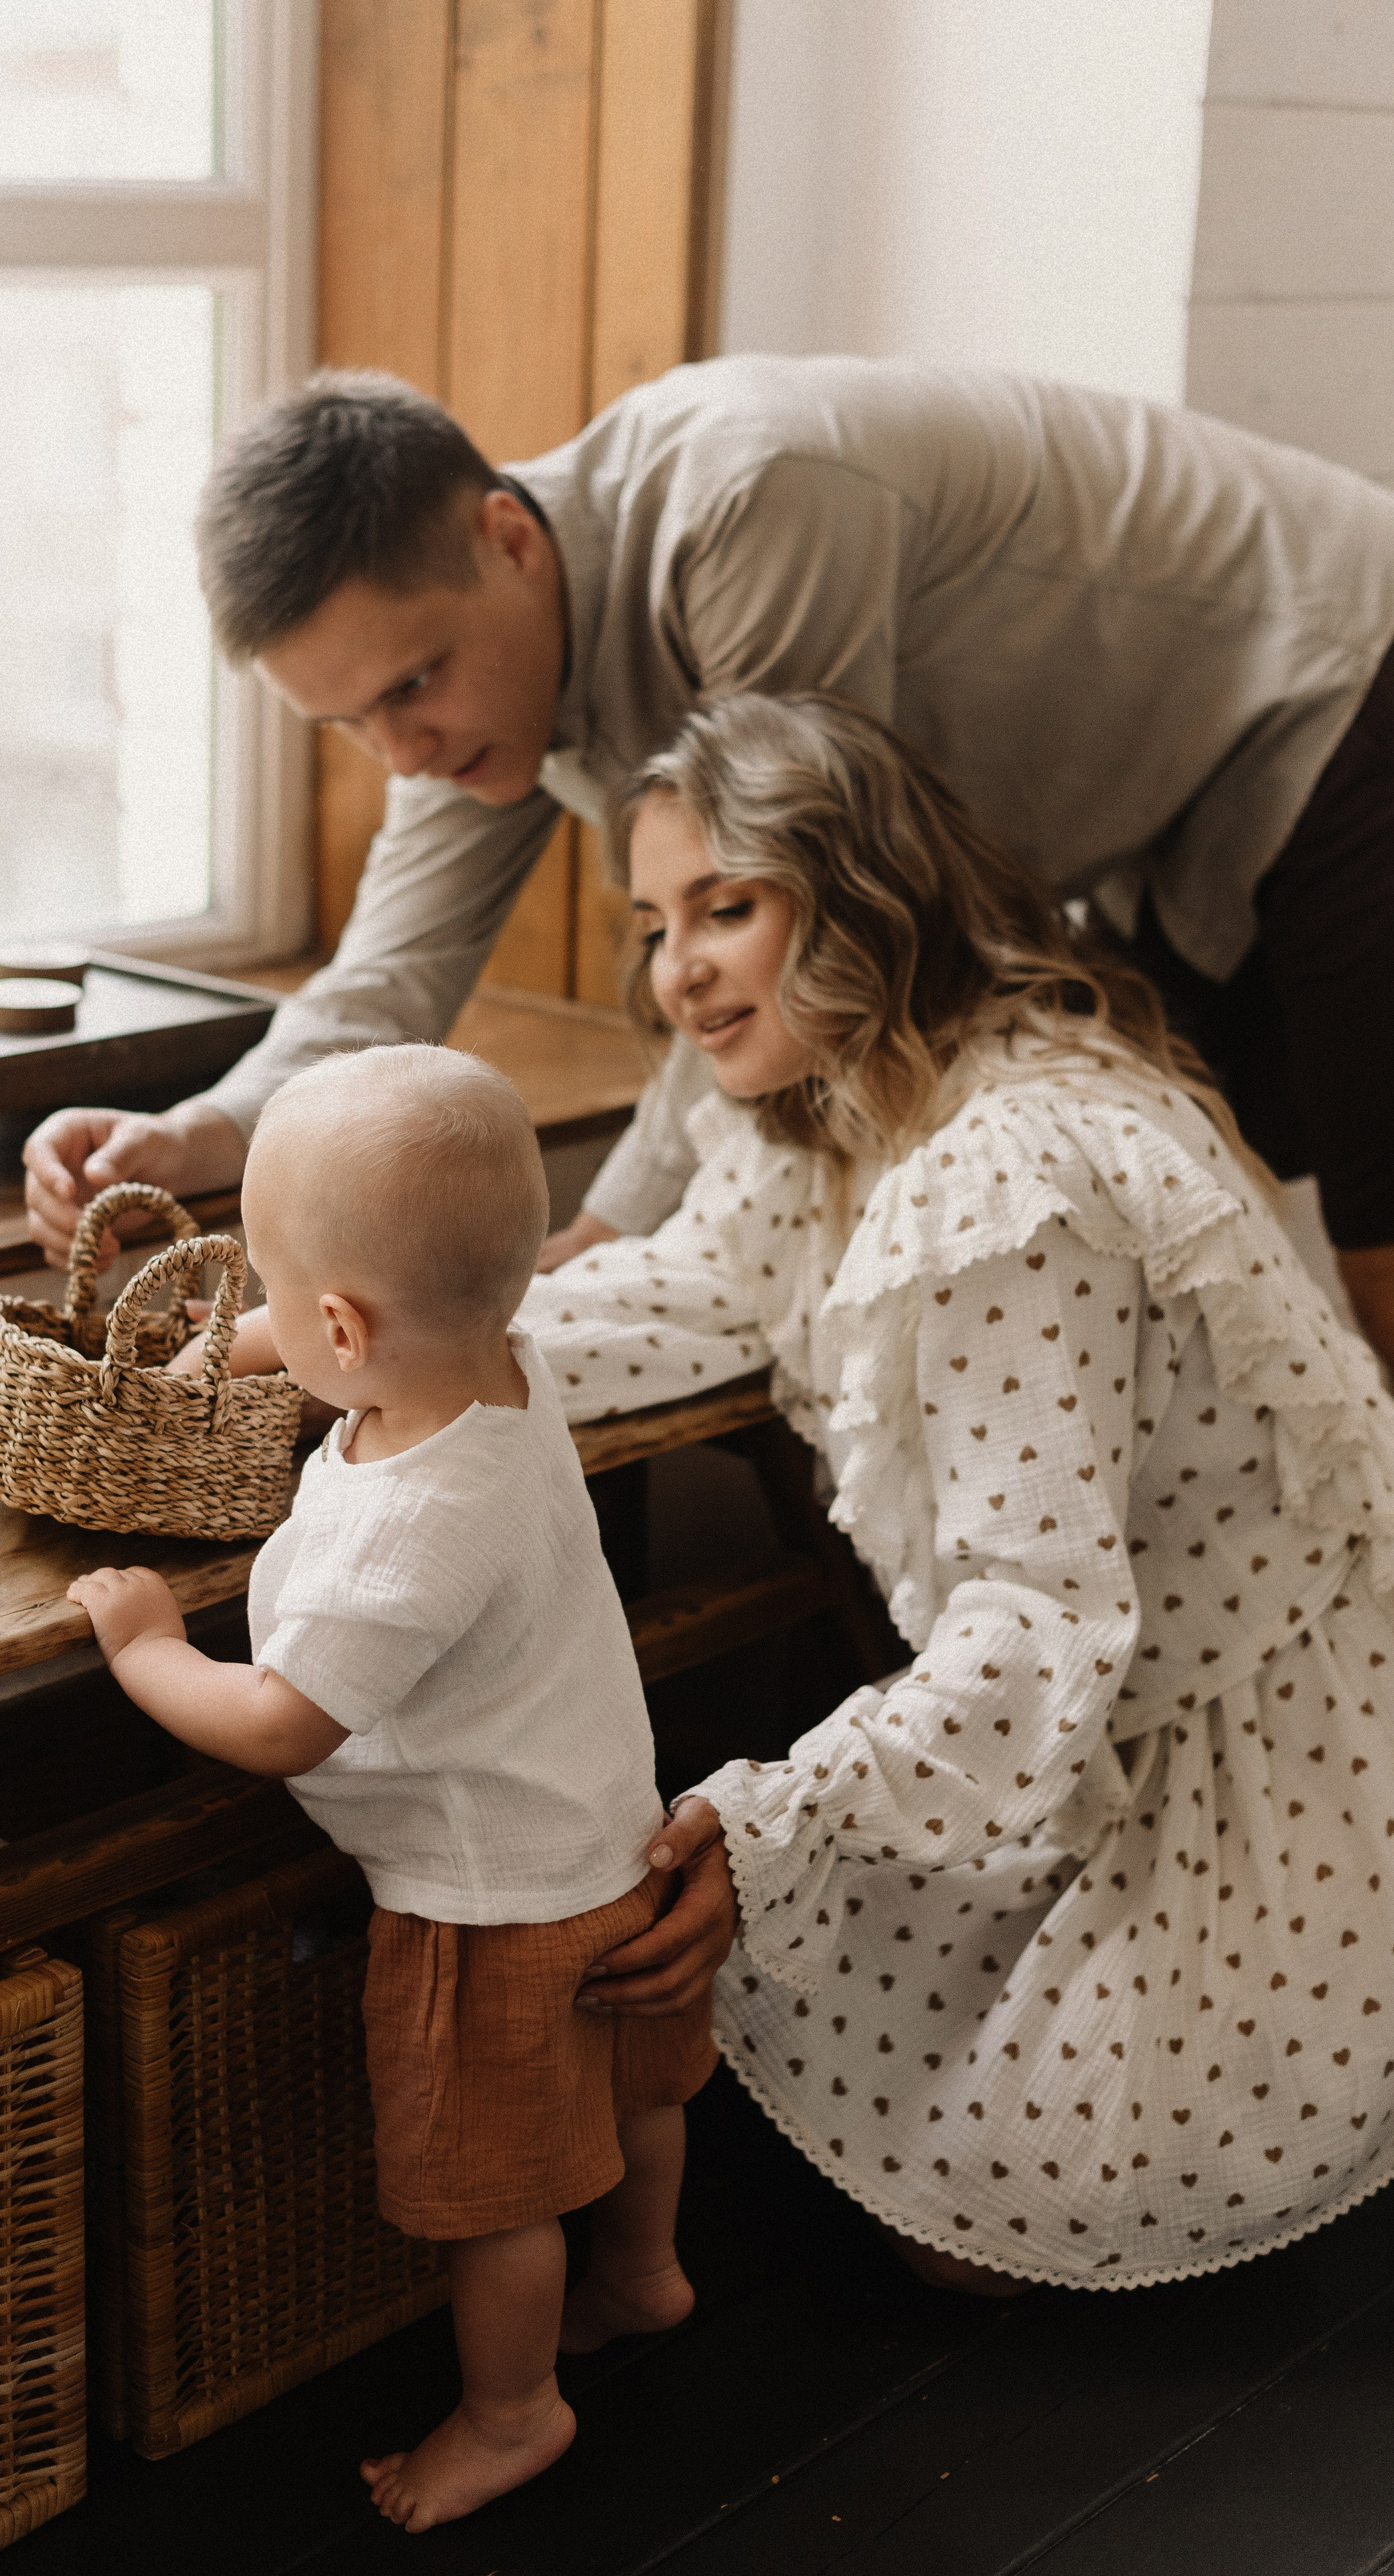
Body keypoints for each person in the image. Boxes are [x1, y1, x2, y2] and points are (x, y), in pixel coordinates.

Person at [512, 690, 1394, 2293]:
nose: (676, 970)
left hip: (1268, 1742)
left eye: (728, 907)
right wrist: (362, 1332)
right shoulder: (826, 1113)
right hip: (1116, 1702)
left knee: (988, 2228)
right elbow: (677, 1295)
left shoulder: (1013, 1166)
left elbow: (1041, 1618)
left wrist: (776, 1819)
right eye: (654, 924)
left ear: (857, 894)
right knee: (875, 2140)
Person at [23, 359, 1394, 1356]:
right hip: (1162, 814)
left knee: (1370, 1250)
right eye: (350, 724)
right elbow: (389, 979)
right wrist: (208, 1130)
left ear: (505, 535)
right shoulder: (468, 694)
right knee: (1207, 1264)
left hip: (1335, 683)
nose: (402, 751)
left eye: (412, 686)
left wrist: (601, 1235)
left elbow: (797, 932)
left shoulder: (750, 504)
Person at [66, 1045, 716, 2530]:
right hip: (612, 1836)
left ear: (342, 1328)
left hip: (487, 1904)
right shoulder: (492, 1367)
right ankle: (646, 2273)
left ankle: (511, 2412)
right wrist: (241, 1351)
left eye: (280, 1305)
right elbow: (364, 1333)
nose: (270, 1331)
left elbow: (283, 1721)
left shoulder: (405, 1534)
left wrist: (147, 1642)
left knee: (498, 2188)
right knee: (635, 2089)